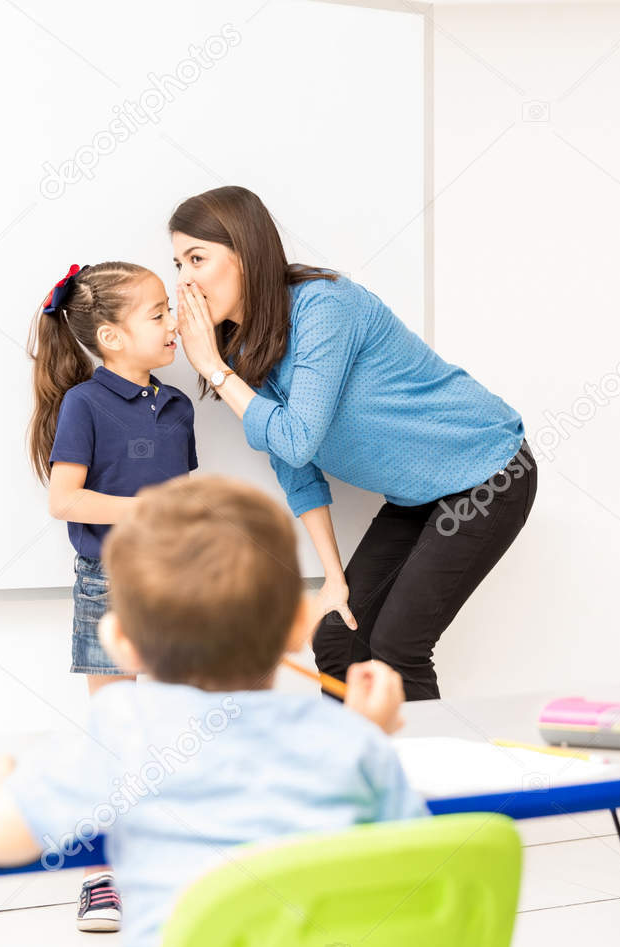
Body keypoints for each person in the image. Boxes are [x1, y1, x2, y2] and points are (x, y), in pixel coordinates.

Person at [0, 475, 424, 947]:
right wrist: (367, 736)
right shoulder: (352, 744)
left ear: (121, 642)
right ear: (295, 629)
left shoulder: (125, 724)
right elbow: (408, 864)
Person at [168, 185, 534, 700]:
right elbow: (296, 469)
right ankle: (350, 773)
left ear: (245, 255)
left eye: (196, 258)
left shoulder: (324, 306)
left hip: (487, 472)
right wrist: (333, 580)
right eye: (178, 262)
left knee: (397, 650)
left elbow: (297, 441)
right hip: (419, 495)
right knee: (338, 636)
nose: (184, 279)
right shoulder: (246, 344)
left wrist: (213, 368)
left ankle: (421, 780)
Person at [27, 261, 198, 931]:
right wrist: (147, 509)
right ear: (112, 336)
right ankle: (104, 878)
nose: (173, 323)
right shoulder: (85, 404)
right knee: (117, 736)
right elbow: (64, 498)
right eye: (158, 313)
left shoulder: (177, 405)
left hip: (175, 584)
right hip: (108, 586)